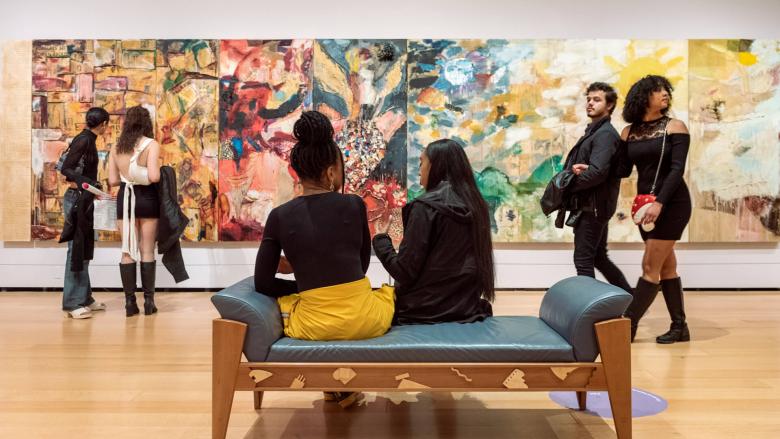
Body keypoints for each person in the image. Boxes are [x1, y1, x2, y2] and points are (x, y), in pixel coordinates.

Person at [253, 110, 394, 341]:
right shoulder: (354, 205)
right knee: (388, 296)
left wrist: (305, 282)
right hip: (365, 321)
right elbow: (362, 266)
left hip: (312, 326)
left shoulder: (279, 216)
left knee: (291, 305)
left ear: (297, 171)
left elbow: (263, 283)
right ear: (330, 172)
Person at [373, 138, 494, 325]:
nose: (419, 170)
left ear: (436, 166)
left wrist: (381, 239)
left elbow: (404, 272)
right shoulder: (478, 207)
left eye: (422, 163)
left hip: (421, 313)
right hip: (466, 310)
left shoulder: (425, 208)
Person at [617, 75, 692, 344]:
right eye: (658, 90)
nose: (664, 94)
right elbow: (622, 170)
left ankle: (627, 325)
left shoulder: (675, 127)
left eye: (666, 90)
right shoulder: (629, 132)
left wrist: (659, 202)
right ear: (643, 97)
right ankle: (679, 327)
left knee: (650, 265)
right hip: (644, 206)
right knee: (666, 267)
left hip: (671, 203)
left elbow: (677, 169)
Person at [565, 82, 632, 294]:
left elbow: (596, 173)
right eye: (589, 99)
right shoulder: (596, 132)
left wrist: (568, 184)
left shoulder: (604, 134)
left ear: (610, 105)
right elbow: (598, 169)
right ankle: (632, 302)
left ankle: (587, 311)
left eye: (597, 100)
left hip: (592, 207)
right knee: (599, 257)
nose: (590, 103)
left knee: (583, 260)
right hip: (594, 205)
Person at [108, 106, 161, 317]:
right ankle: (149, 302)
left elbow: (113, 180)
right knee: (147, 249)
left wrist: (127, 174)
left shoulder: (116, 147)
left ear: (127, 122)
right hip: (147, 199)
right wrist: (142, 173)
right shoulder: (152, 144)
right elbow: (155, 177)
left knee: (127, 250)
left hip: (125, 199)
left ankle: (130, 303)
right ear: (146, 122)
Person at [60, 107, 110, 319]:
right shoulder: (84, 140)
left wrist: (91, 189)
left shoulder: (88, 138)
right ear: (104, 124)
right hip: (77, 200)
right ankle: (72, 304)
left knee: (84, 248)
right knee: (76, 250)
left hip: (83, 199)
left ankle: (85, 297)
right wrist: (89, 185)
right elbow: (67, 170)